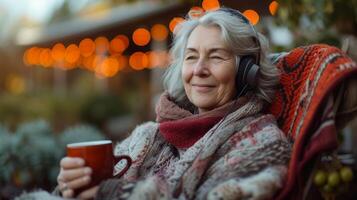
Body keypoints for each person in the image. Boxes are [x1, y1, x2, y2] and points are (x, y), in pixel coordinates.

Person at [56, 7, 291, 200]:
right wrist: (71, 187)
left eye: (216, 56)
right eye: (191, 57)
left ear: (246, 72)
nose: (199, 69)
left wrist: (112, 193)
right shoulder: (147, 135)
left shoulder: (263, 144)